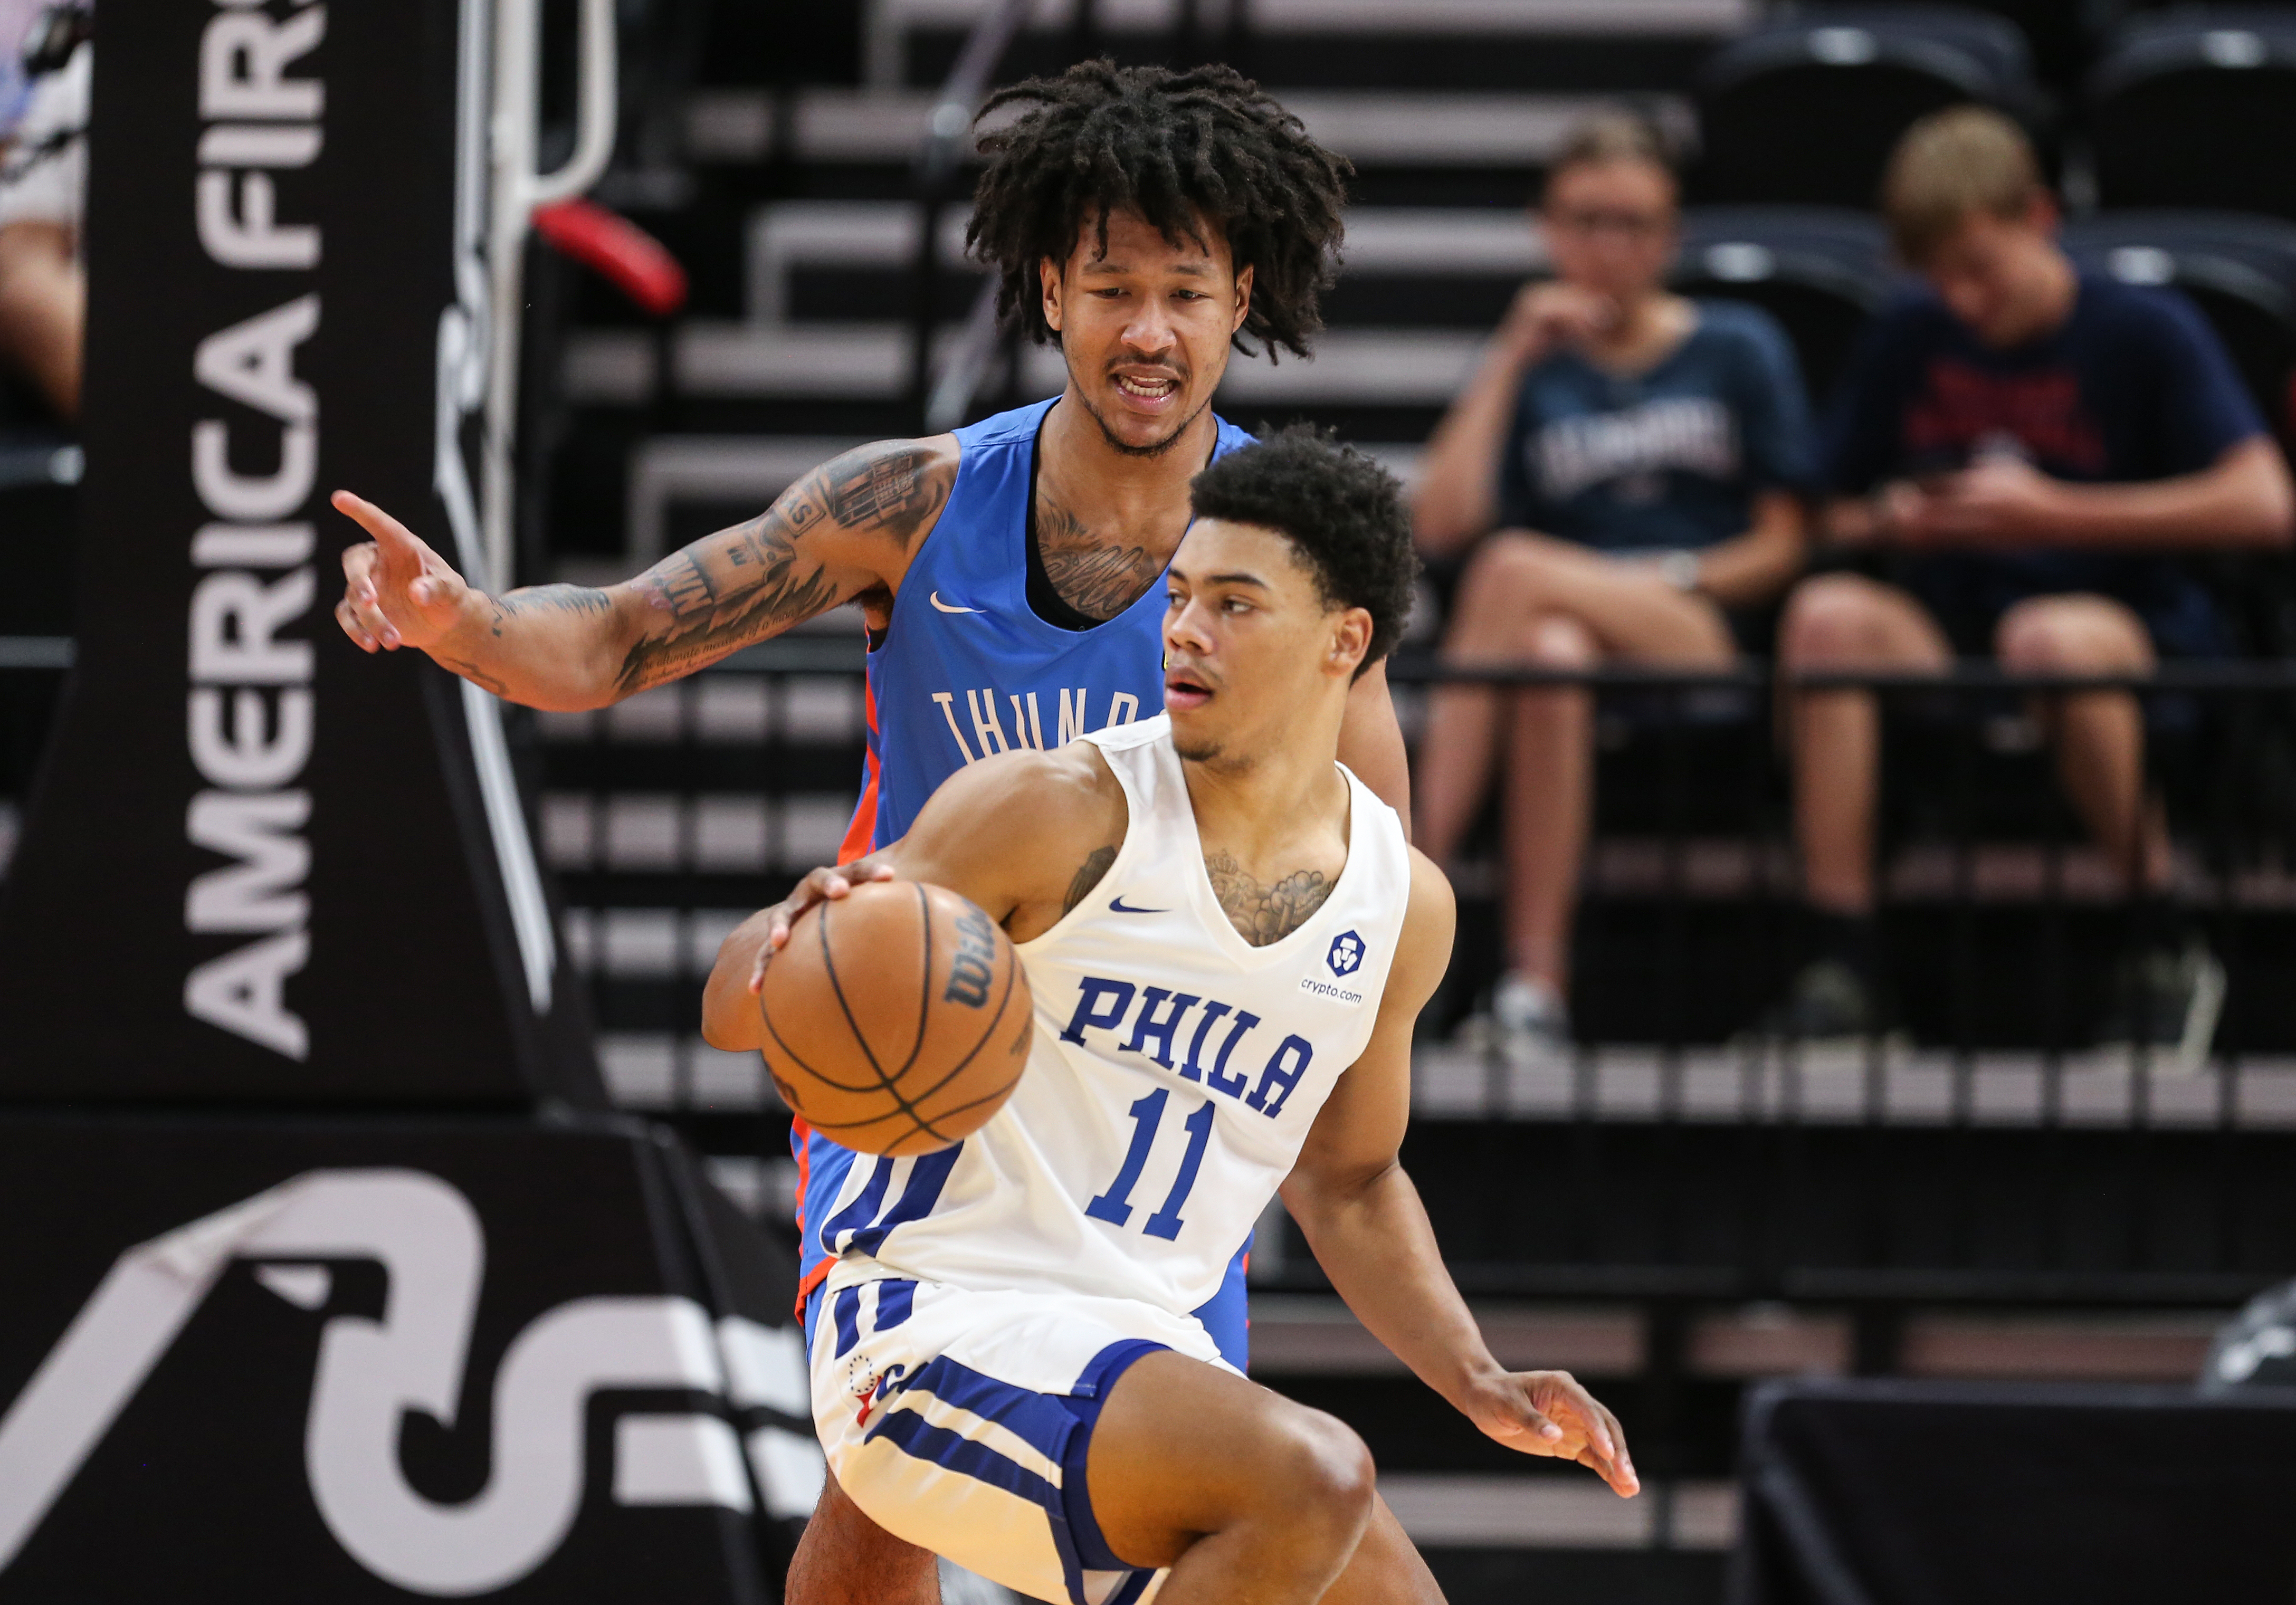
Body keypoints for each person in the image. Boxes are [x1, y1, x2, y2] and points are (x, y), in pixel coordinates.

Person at [331, 59, 1407, 1605]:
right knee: (896, 1476)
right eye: (1113, 287)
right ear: (1051, 288)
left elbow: (1356, 942)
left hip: (1132, 1136)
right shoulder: (914, 504)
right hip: (922, 1067)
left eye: (1187, 289)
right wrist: (470, 623)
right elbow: (621, 637)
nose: (1149, 330)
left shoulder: (1291, 595)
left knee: (1000, 1516)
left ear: (1247, 298)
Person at [705, 430, 1637, 1605]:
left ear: (1344, 642)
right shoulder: (1055, 808)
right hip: (935, 1318)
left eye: (1234, 605)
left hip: (1146, 1356)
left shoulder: (1403, 907)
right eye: (1179, 596)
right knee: (1312, 1475)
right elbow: (734, 1013)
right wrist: (790, 942)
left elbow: (1348, 1182)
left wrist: (1476, 1376)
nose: (1183, 631)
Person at [1770, 107, 2295, 1053]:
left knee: (2048, 635)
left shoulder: (2145, 327)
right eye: (1940, 276)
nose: (1962, 299)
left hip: (2125, 621)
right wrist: (1895, 518)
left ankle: (2163, 933)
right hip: (1954, 620)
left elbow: (2264, 502)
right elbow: (1819, 513)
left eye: (1980, 267)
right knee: (1827, 616)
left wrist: (2052, 514)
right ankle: (1844, 959)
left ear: (2040, 217)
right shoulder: (1910, 332)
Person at [1409, 111, 1816, 1059]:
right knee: (1549, 653)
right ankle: (1534, 989)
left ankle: (1412, 885)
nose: (1608, 247)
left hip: (1699, 623)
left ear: (1670, 238)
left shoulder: (1737, 347)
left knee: (1517, 571)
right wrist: (1512, 352)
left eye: (1633, 225)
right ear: (1549, 229)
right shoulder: (1537, 365)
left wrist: (1663, 575)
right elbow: (1438, 524)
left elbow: (1788, 544)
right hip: (1567, 637)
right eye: (1587, 221)